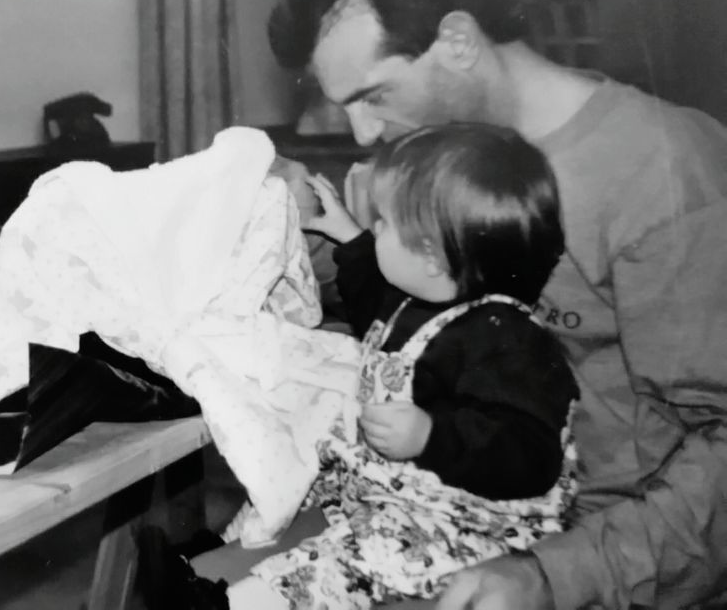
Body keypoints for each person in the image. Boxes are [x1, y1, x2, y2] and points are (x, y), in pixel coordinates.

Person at [251, 0, 727, 610]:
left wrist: (550, 578)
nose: (363, 129)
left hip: (604, 574)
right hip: (450, 528)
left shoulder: (663, 172)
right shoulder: (429, 165)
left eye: (375, 94)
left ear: (459, 41)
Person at [216, 124, 577, 609]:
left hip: (463, 520)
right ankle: (227, 553)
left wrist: (433, 434)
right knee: (295, 470)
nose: (375, 229)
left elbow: (530, 455)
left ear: (429, 256)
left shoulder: (506, 338)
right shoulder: (417, 300)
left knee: (358, 558)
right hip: (393, 483)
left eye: (383, 223)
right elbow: (374, 309)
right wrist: (348, 235)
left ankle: (255, 600)